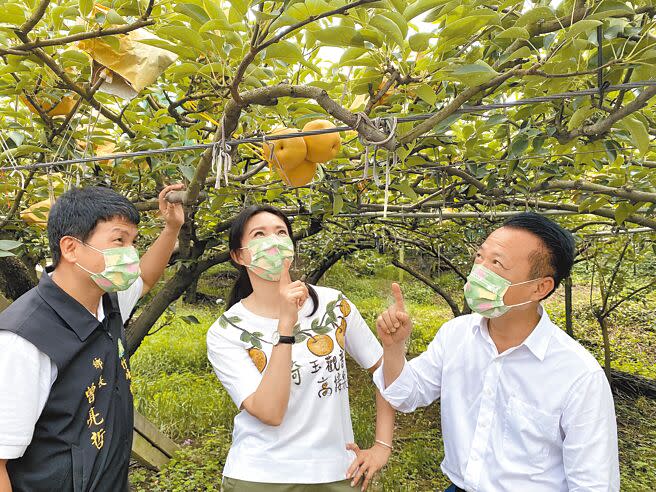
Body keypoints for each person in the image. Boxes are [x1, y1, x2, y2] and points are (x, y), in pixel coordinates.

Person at [373, 212, 620, 491]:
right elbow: (406, 395)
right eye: (480, 257)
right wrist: (393, 348)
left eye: (497, 263)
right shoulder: (456, 335)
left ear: (540, 287)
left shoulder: (578, 375)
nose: (480, 270)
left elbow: (593, 483)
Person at [0, 184, 185, 492]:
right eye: (119, 240)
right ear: (71, 248)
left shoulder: (106, 301)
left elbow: (146, 278)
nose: (130, 254)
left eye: (133, 242)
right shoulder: (24, 341)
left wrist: (172, 228)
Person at [206, 205, 395, 492]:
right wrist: (285, 327)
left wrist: (382, 447)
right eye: (260, 234)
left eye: (281, 232)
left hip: (337, 472)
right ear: (239, 256)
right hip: (260, 476)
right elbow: (269, 412)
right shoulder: (228, 330)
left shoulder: (334, 306)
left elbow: (385, 370)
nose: (274, 240)